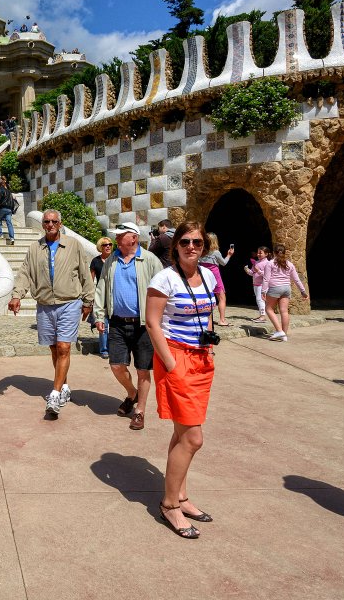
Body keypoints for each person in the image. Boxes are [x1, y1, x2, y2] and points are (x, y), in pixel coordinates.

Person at [144, 221, 218, 539]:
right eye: (186, 241)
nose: (191, 247)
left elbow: (208, 312)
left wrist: (210, 347)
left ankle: (183, 497)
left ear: (205, 246)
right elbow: (152, 322)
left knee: (181, 433)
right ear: (175, 245)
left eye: (198, 243)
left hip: (201, 359)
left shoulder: (209, 275)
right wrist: (172, 364)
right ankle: (169, 504)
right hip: (176, 358)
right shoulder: (165, 278)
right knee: (193, 438)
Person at [8, 210, 95, 418]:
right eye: (46, 221)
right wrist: (17, 295)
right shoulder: (35, 248)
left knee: (64, 347)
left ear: (60, 223)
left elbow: (85, 273)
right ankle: (63, 386)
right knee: (55, 348)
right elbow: (25, 273)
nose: (50, 224)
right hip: (45, 305)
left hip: (69, 303)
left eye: (54, 221)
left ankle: (55, 395)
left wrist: (88, 300)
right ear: (43, 224)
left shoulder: (73, 245)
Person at [95, 223, 164, 432]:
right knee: (116, 365)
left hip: (144, 325)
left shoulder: (150, 260)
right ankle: (131, 393)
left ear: (133, 238)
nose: (116, 239)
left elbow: (163, 291)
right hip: (117, 322)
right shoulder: (112, 260)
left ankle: (140, 411)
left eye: (120, 235)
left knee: (143, 370)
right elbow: (102, 287)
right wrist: (100, 314)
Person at [260, 245, 307, 341]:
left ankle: (279, 331)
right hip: (286, 288)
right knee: (284, 311)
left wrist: (263, 291)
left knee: (268, 309)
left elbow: (266, 279)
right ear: (285, 253)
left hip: (274, 288)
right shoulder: (289, 264)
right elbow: (296, 279)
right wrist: (303, 291)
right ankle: (284, 335)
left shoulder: (270, 263)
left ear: (273, 253)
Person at [198, 233, 233, 326]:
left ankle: (204, 318)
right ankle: (222, 320)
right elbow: (224, 263)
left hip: (203, 276)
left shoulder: (201, 251)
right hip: (215, 276)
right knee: (221, 298)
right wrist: (229, 255)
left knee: (205, 297)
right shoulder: (216, 252)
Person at [90, 237, 115, 357]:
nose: (108, 246)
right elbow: (91, 280)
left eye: (110, 244)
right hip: (101, 295)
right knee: (102, 322)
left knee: (115, 323)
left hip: (114, 294)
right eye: (105, 245)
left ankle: (114, 347)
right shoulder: (95, 261)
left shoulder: (115, 260)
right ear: (101, 247)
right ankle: (104, 349)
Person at [244, 246, 270, 322]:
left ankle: (263, 316)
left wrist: (258, 270)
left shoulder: (267, 263)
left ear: (266, 254)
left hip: (262, 285)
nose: (258, 254)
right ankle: (261, 315)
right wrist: (247, 270)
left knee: (260, 299)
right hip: (256, 284)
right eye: (257, 252)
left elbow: (267, 275)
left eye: (260, 253)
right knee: (258, 299)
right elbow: (252, 273)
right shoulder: (256, 262)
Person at [0, 176, 18, 245]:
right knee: (9, 223)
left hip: (3, 208)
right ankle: (12, 238)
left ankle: (0, 234)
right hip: (9, 209)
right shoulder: (8, 191)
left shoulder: (0, 190)